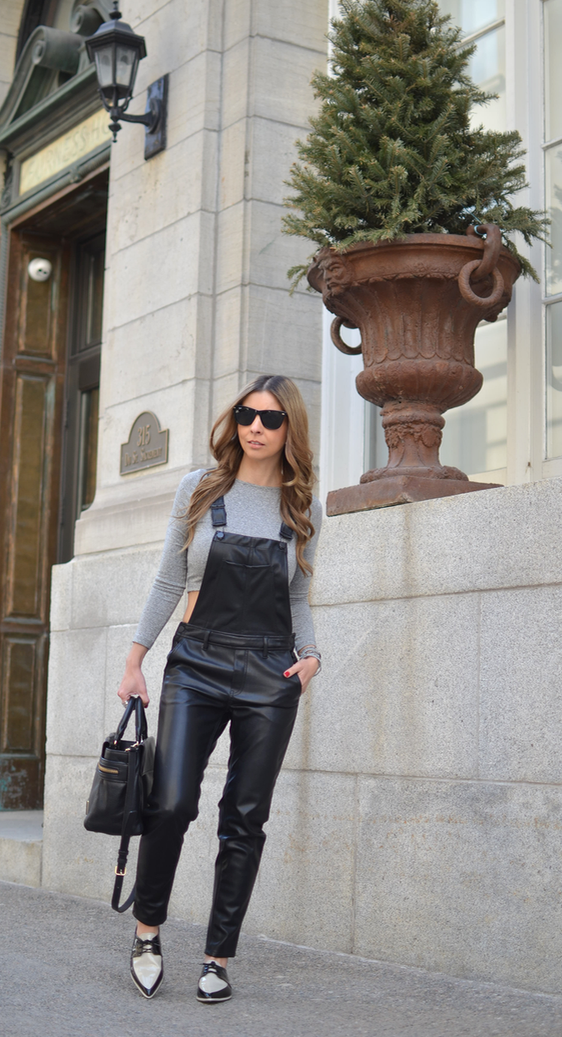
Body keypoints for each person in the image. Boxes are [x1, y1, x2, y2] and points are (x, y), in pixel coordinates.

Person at [117, 374, 323, 1003]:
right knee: (172, 801)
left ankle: (217, 957)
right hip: (196, 663)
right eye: (246, 415)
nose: (255, 427)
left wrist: (311, 655)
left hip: (270, 672)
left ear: (289, 428)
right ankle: (147, 933)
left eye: (270, 418)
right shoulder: (201, 489)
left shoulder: (303, 506)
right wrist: (135, 661)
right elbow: (167, 580)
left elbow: (297, 593)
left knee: (245, 817)